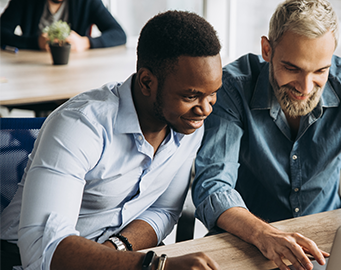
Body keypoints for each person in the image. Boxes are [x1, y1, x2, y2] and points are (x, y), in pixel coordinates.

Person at [192, 0, 341, 270]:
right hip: (249, 242)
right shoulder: (233, 87)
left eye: (320, 71)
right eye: (292, 68)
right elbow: (213, 187)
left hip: (326, 246)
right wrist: (264, 234)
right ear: (267, 50)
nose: (305, 87)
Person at [1, 10, 222, 270]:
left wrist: (115, 251)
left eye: (212, 94)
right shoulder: (80, 126)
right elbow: (41, 252)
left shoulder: (187, 125)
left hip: (118, 254)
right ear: (147, 82)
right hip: (23, 259)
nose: (206, 109)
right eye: (191, 96)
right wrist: (153, 266)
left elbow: (163, 211)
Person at [0, 0, 127, 52]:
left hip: (75, 73)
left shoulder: (87, 2)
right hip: (32, 71)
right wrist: (35, 42)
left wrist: (86, 42)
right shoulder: (24, 1)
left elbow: (118, 34)